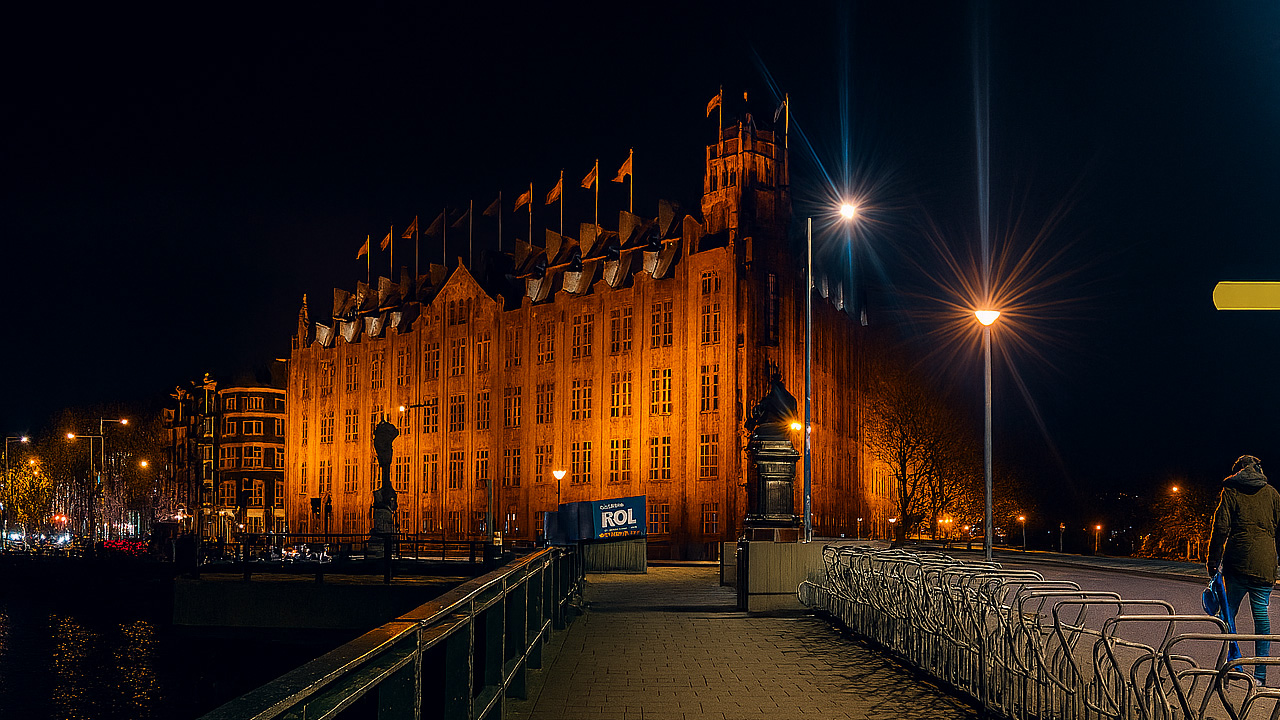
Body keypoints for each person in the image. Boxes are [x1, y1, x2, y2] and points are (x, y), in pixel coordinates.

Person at [1207, 454, 1280, 685]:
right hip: (1265, 562)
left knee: (1229, 613)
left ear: (1238, 470)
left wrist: (1213, 560)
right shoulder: (1273, 494)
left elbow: (1220, 527)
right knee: (1261, 616)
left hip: (1237, 561)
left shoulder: (1231, 491)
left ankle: (1232, 662)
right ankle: (1260, 676)